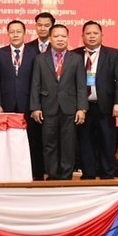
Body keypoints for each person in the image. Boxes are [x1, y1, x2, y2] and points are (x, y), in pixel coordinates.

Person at [30, 24, 87, 180]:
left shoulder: (76, 59)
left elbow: (81, 85)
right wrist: (35, 107)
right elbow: (35, 84)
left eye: (63, 36)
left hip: (70, 108)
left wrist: (82, 108)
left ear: (68, 38)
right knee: (49, 144)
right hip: (48, 108)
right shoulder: (41, 59)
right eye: (56, 36)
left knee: (68, 144)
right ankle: (53, 174)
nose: (60, 39)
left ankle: (66, 175)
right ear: (50, 38)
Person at [73, 21, 118, 180]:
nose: (92, 36)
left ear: (102, 35)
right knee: (85, 141)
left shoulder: (113, 54)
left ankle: (107, 174)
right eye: (88, 33)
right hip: (82, 107)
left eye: (95, 33)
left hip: (106, 106)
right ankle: (88, 174)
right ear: (82, 36)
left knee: (107, 141)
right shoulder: (74, 55)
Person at [0, 20, 42, 179]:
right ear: (7, 34)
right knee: (7, 142)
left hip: (28, 104)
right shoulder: (0, 53)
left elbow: (38, 81)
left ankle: (35, 174)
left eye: (18, 32)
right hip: (6, 105)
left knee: (32, 141)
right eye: (12, 32)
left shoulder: (34, 53)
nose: (15, 35)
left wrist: (36, 105)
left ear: (24, 33)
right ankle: (9, 174)